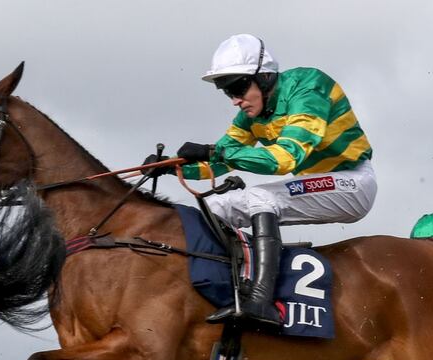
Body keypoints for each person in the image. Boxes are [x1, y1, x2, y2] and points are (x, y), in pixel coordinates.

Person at [148, 33, 377, 328]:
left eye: (238, 88)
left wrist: (215, 151)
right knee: (215, 207)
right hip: (312, 186)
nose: (235, 100)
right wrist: (172, 167)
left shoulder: (309, 87)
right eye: (226, 91)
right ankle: (229, 288)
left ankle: (262, 301)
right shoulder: (251, 113)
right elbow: (218, 162)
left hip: (351, 182)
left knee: (261, 197)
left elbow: (285, 159)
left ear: (266, 77)